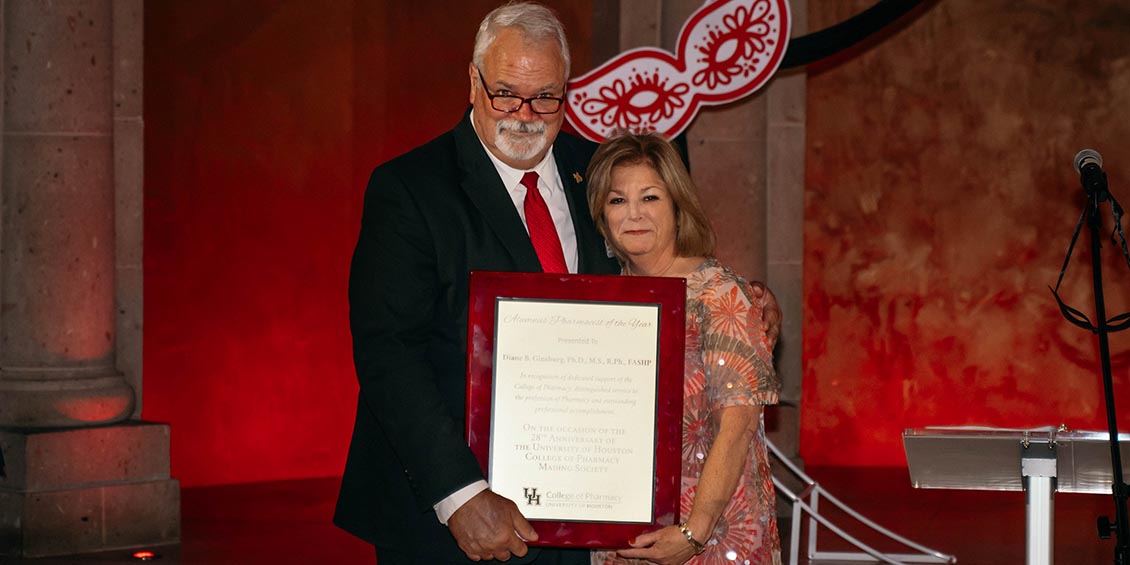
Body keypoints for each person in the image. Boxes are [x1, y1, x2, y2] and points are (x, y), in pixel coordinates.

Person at [333, 3, 618, 564]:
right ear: (472, 80)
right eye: (505, 92)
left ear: (568, 89)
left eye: (546, 97)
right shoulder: (409, 189)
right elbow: (389, 352)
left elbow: (661, 272)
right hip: (449, 520)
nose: (525, 114)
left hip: (585, 504)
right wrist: (459, 494)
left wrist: (742, 302)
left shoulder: (604, 173)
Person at [585, 131, 782, 565]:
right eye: (618, 200)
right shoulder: (598, 301)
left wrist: (695, 531)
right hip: (623, 532)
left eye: (650, 197)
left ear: (677, 206)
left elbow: (738, 426)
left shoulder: (721, 295)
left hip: (713, 535)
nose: (634, 214)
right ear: (601, 214)